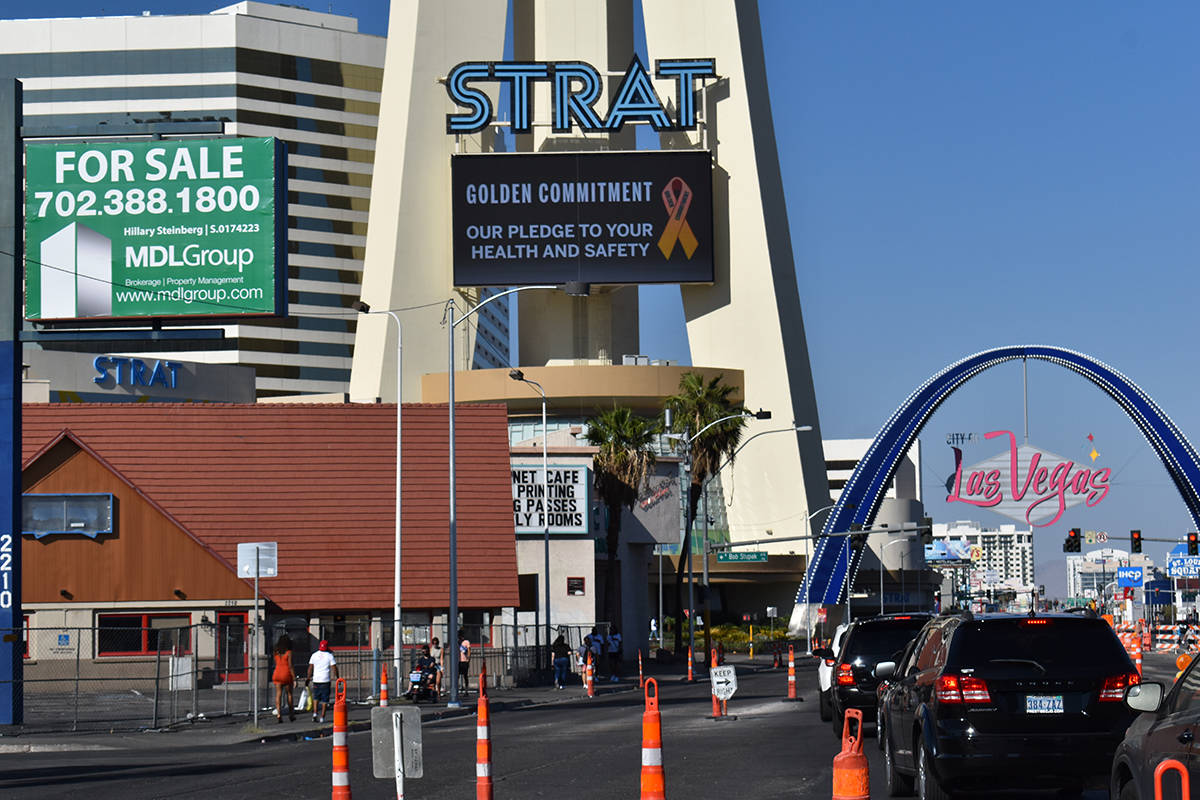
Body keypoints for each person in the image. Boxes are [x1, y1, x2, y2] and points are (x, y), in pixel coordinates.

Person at [306, 639, 338, 723]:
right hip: (325, 680)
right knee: (325, 699)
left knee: (316, 697)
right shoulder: (329, 656)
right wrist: (337, 677)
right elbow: (334, 667)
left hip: (316, 679)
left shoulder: (314, 655)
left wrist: (308, 678)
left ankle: (315, 713)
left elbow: (310, 668)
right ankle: (322, 717)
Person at [271, 634, 295, 723]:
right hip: (286, 673)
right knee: (289, 694)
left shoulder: (276, 651)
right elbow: (290, 665)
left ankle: (279, 714)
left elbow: (276, 661)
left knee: (278, 694)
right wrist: (294, 677)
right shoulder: (289, 652)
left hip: (277, 672)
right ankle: (291, 714)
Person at [458, 630, 471, 695]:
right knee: (457, 675)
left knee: (465, 675)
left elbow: (469, 650)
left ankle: (466, 690)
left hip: (464, 660)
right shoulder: (458, 642)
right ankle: (457, 688)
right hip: (458, 661)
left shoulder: (466, 642)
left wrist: (468, 658)